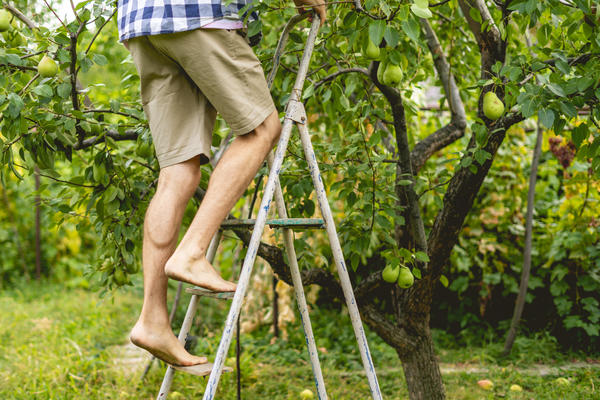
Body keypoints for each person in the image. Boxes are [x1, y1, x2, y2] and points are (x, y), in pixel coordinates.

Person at [116, 0, 326, 367]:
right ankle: (193, 251)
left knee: (178, 168)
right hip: (199, 12)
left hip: (142, 22)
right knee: (263, 129)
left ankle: (152, 318)